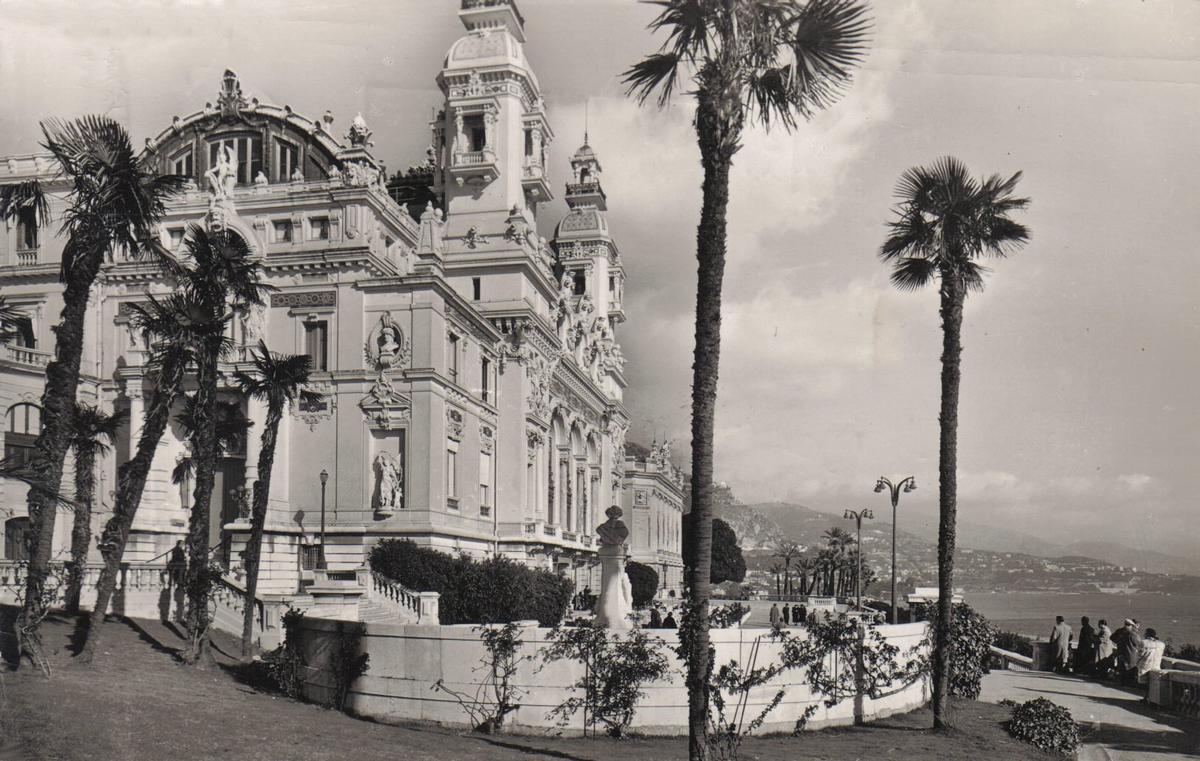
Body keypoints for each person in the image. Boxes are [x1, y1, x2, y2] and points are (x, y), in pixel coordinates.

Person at [1115, 619, 1143, 686]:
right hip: (1130, 654)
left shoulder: (1121, 632)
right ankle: (1128, 684)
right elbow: (1139, 644)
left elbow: (1113, 638)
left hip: (1121, 653)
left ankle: (1122, 683)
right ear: (1132, 626)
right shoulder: (1133, 634)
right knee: (1129, 670)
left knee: (1122, 670)